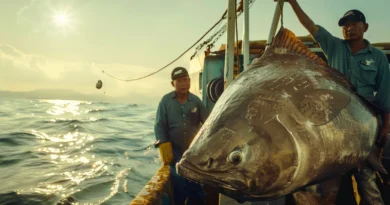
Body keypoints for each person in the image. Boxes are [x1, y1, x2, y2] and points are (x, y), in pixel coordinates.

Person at [287, 1, 390, 204]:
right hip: (334, 126)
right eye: (345, 25)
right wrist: (292, 2)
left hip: (365, 126)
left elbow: (385, 95)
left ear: (365, 27)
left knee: (367, 182)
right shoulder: (333, 45)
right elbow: (310, 26)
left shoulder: (377, 57)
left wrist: (385, 127)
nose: (349, 28)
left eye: (354, 24)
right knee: (324, 181)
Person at [154, 66, 209, 205]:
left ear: (190, 81)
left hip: (193, 150)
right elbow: (159, 126)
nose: (183, 84)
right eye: (179, 81)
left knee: (196, 185)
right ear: (173, 84)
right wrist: (164, 146)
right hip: (174, 150)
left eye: (185, 80)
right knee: (179, 180)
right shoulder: (165, 101)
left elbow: (208, 124)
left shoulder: (196, 101)